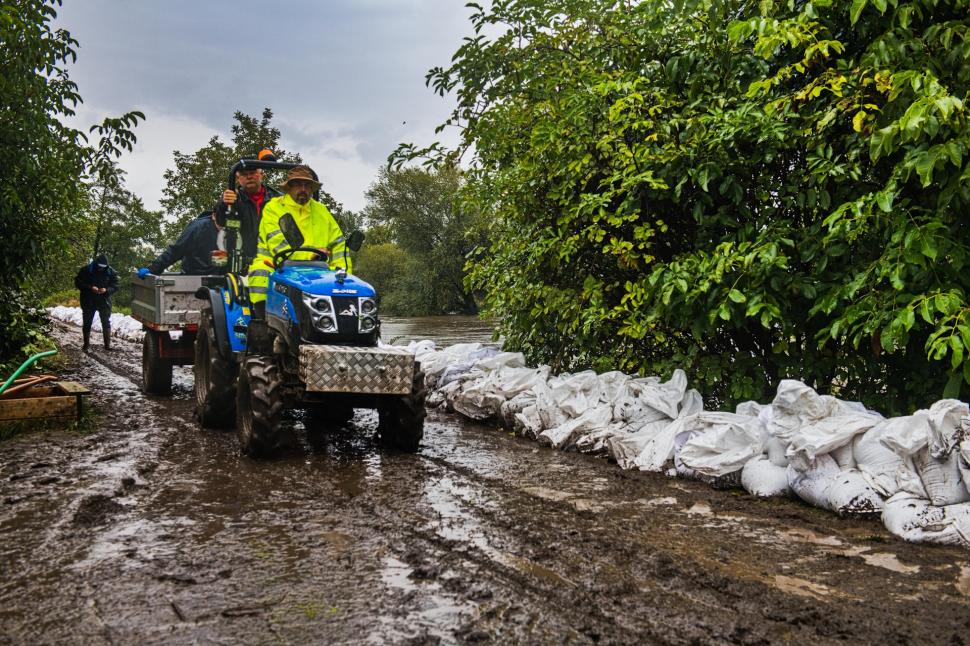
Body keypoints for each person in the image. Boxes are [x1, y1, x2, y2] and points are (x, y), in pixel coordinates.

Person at [248, 165, 351, 316]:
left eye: (307, 185)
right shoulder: (274, 208)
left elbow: (339, 245)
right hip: (276, 265)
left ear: (312, 189)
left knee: (346, 287)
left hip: (319, 269)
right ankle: (262, 322)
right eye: (297, 184)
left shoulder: (322, 211)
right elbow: (277, 242)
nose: (303, 188)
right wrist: (309, 259)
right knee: (260, 274)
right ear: (289, 187)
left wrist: (342, 274)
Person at [214, 156, 281, 271]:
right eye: (244, 174)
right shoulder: (232, 199)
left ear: (261, 174)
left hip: (273, 261)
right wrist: (223, 204)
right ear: (237, 178)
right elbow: (220, 221)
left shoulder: (279, 198)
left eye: (253, 172)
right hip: (241, 263)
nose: (249, 177)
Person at [138, 211, 221, 277]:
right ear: (214, 216)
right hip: (193, 279)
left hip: (219, 281)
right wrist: (153, 269)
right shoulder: (197, 228)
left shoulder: (230, 231)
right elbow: (176, 251)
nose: (222, 227)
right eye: (220, 222)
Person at [73, 254, 119, 352]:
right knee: (87, 321)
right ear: (96, 263)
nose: (101, 269)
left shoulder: (111, 272)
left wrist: (106, 290)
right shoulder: (86, 270)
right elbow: (78, 283)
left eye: (103, 267)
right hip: (88, 299)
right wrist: (90, 287)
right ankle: (86, 345)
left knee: (106, 321)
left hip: (104, 300)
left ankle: (107, 345)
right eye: (99, 267)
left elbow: (115, 286)